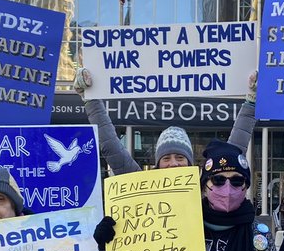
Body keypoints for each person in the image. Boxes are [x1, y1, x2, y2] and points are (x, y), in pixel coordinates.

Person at [72, 69, 258, 173]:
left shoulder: (206, 189)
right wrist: (90, 99)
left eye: (180, 157)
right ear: (157, 163)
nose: (174, 164)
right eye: (166, 158)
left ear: (190, 162)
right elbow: (111, 146)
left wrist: (251, 102)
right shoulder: (141, 185)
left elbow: (234, 153)